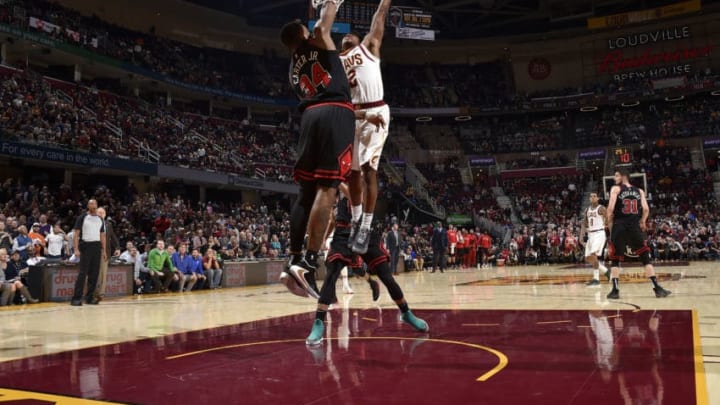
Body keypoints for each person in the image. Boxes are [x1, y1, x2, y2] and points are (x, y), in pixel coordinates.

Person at [278, 0, 384, 299]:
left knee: (305, 192)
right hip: (335, 113)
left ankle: (295, 259)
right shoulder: (320, 40)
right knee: (329, 188)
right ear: (302, 32)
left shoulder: (291, 69)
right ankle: (310, 262)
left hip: (309, 118)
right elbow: (325, 23)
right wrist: (331, 3)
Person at [306, 183, 427, 346]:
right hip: (343, 234)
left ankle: (406, 312)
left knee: (386, 276)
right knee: (332, 273)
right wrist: (324, 238)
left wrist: (336, 179)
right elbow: (334, 219)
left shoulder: (361, 178)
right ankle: (319, 322)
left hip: (365, 231)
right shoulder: (339, 194)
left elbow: (354, 195)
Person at [340, 0, 393, 255]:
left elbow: (380, 14)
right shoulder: (337, 63)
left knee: (369, 171)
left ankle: (366, 227)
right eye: (344, 37)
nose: (347, 35)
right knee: (352, 175)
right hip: (356, 116)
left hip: (375, 112)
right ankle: (356, 220)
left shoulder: (369, 46)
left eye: (352, 34)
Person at [606, 168, 671, 299]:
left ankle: (615, 291)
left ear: (624, 176)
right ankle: (657, 288)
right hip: (634, 226)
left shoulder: (616, 189)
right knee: (645, 258)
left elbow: (611, 209)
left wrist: (609, 224)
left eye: (616, 175)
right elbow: (646, 209)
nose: (614, 178)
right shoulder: (639, 191)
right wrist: (642, 221)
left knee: (615, 259)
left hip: (619, 226)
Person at [70, 199, 106, 306]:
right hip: (85, 246)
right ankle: (76, 298)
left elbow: (102, 235)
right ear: (88, 206)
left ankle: (89, 298)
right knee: (82, 273)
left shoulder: (100, 219)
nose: (93, 205)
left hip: (96, 246)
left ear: (97, 205)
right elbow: (76, 234)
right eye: (91, 203)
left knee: (94, 274)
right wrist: (76, 249)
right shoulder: (82, 217)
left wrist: (104, 251)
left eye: (94, 203)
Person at [579, 193, 610, 287]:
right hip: (590, 234)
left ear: (598, 198)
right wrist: (581, 237)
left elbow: (608, 220)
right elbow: (584, 224)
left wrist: (610, 233)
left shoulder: (601, 208)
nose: (592, 198)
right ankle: (606, 271)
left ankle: (596, 279)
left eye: (594, 196)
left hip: (599, 233)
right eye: (591, 196)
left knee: (593, 255)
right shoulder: (587, 210)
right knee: (588, 257)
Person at [94, 207, 121, 302]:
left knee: (103, 274)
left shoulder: (108, 224)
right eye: (99, 212)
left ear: (105, 215)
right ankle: (92, 293)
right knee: (93, 273)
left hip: (105, 252)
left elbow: (113, 236)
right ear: (96, 213)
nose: (101, 214)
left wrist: (117, 247)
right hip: (94, 251)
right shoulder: (91, 223)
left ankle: (100, 294)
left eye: (103, 213)